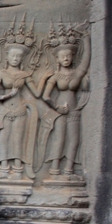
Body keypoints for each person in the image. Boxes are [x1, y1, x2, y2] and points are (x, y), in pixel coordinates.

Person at [0, 17, 46, 181]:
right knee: (3, 140)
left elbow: (37, 94)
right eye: (13, 56)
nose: (15, 59)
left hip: (20, 111)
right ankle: (3, 169)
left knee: (18, 140)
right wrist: (10, 94)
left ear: (22, 59)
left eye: (18, 57)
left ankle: (18, 170)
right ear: (7, 57)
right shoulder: (1, 73)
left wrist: (44, 79)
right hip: (5, 110)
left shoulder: (24, 74)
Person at [37, 22, 90, 180]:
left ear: (72, 56)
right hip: (59, 111)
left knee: (74, 140)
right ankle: (54, 170)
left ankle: (68, 171)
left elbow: (86, 60)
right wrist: (57, 107)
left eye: (68, 55)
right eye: (62, 56)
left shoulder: (77, 73)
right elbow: (45, 96)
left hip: (74, 110)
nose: (66, 58)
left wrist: (86, 37)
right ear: (57, 59)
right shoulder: (55, 76)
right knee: (59, 139)